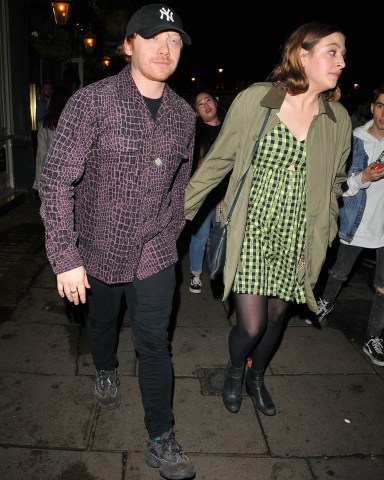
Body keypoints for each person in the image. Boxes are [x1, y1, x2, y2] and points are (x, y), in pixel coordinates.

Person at [39, 4, 196, 480]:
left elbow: (181, 182)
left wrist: (170, 231)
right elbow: (56, 181)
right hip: (98, 248)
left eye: (174, 40)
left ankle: (160, 437)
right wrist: (66, 256)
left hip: (154, 250)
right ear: (129, 45)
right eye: (152, 38)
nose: (165, 49)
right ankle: (104, 368)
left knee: (154, 343)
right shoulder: (91, 101)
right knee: (102, 323)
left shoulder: (184, 116)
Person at [184, 22, 351, 417]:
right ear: (303, 55)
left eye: (343, 54)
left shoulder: (338, 119)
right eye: (332, 51)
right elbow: (220, 160)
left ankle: (257, 375)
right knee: (252, 326)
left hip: (299, 235)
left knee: (278, 317)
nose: (342, 62)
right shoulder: (258, 100)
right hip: (253, 226)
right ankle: (234, 370)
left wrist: (326, 230)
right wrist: (179, 211)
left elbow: (337, 182)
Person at [312, 85, 384, 366]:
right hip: (357, 223)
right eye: (380, 105)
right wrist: (363, 176)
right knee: (339, 272)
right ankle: (325, 302)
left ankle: (373, 337)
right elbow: (342, 187)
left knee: (382, 287)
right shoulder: (356, 139)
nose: (383, 113)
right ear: (372, 107)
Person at [188, 90, 227, 293]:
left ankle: (219, 272)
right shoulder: (195, 135)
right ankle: (196, 275)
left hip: (226, 195)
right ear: (196, 112)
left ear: (215, 101)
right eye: (199, 104)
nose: (205, 105)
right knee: (200, 236)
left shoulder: (230, 128)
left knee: (222, 235)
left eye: (208, 100)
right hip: (204, 196)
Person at [32, 86, 72, 192]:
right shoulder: (74, 123)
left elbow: (41, 153)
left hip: (53, 175)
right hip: (72, 175)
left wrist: (38, 182)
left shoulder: (45, 124)